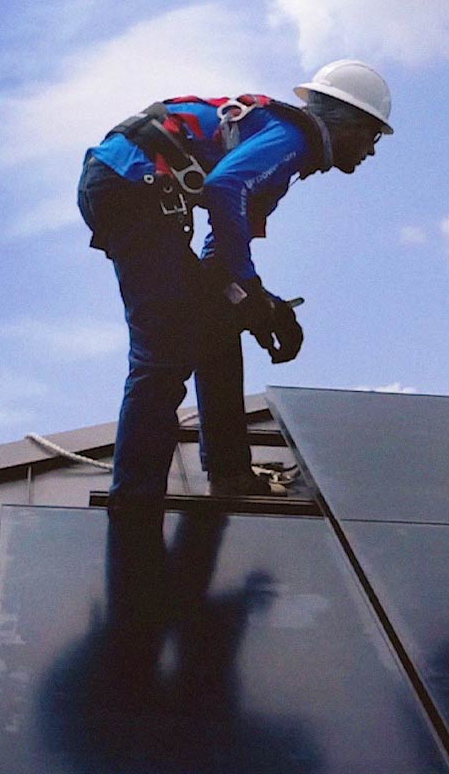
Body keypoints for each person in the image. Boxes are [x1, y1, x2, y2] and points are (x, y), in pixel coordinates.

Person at [78, 59, 392, 511]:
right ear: (347, 125)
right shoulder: (294, 139)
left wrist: (253, 302)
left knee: (217, 322)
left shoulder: (278, 151)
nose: (372, 151)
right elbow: (224, 190)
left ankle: (229, 473)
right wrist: (249, 285)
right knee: (162, 356)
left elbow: (223, 248)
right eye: (372, 135)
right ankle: (134, 507)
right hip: (132, 189)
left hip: (128, 186)